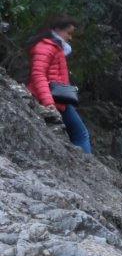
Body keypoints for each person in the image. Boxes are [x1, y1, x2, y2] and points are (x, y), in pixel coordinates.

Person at [26, 15, 91, 153]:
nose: (70, 37)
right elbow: (38, 75)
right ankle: (86, 164)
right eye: (68, 33)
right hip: (52, 99)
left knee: (80, 133)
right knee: (80, 134)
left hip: (57, 99)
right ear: (57, 29)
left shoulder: (54, 47)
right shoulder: (46, 47)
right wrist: (48, 102)